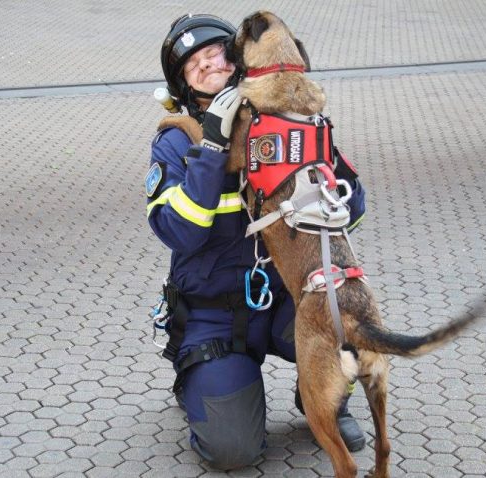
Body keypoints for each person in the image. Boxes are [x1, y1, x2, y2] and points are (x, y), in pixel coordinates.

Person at [146, 13, 367, 470]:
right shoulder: (174, 143)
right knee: (234, 451)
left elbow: (355, 209)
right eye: (194, 65)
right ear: (183, 86)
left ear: (241, 60)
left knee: (349, 327)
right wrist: (210, 147)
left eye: (216, 54)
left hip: (288, 299)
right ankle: (198, 379)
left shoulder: (290, 125)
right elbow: (179, 231)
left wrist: (316, 149)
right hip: (215, 313)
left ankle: (322, 403)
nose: (209, 65)